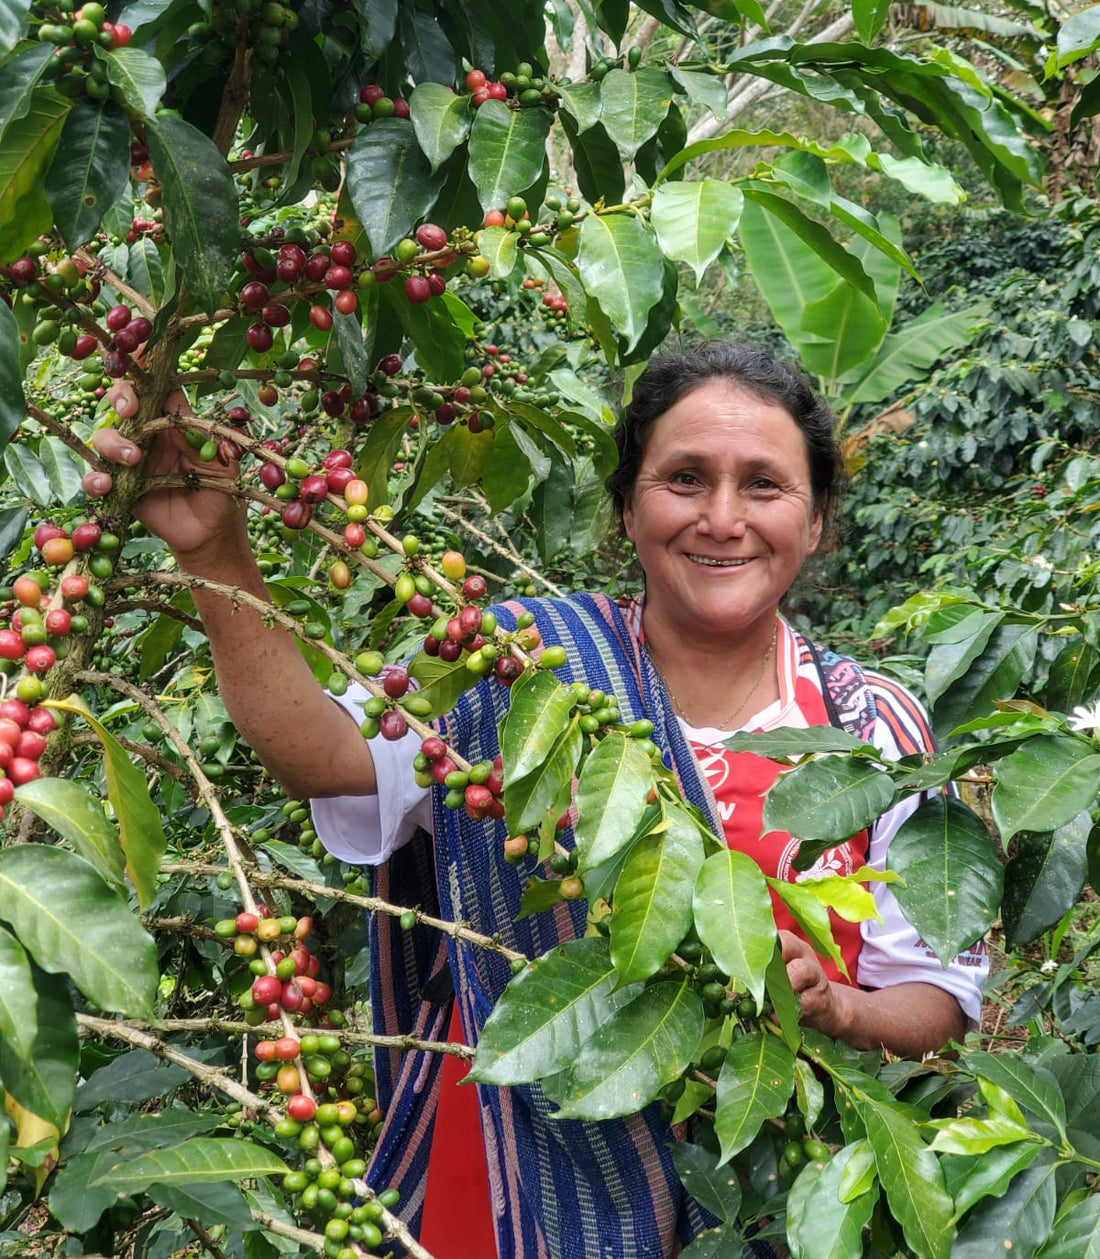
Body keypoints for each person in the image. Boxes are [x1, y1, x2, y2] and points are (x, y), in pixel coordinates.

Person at [93, 341, 985, 1259]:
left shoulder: (870, 728)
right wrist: (218, 551)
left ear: (817, 519)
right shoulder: (517, 665)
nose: (723, 517)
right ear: (629, 509)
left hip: (767, 1194)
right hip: (513, 1179)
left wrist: (839, 1008)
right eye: (685, 478)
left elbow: (939, 997)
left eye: (764, 484)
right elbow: (324, 753)